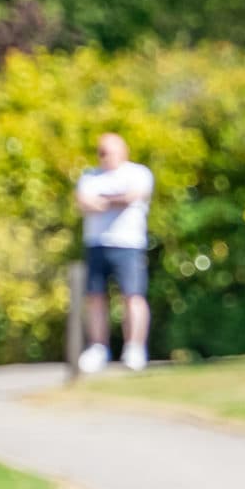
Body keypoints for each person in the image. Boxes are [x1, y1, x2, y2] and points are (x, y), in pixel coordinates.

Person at [74, 132, 153, 373]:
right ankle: (98, 347)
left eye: (110, 151)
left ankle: (135, 347)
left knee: (133, 295)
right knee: (95, 297)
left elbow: (133, 196)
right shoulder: (89, 176)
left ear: (123, 151)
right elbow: (84, 202)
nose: (105, 157)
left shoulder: (138, 173)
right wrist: (113, 200)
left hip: (128, 244)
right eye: (102, 152)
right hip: (97, 244)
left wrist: (103, 201)